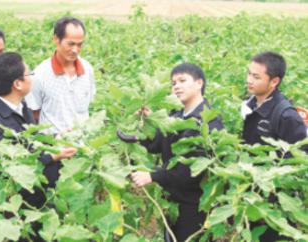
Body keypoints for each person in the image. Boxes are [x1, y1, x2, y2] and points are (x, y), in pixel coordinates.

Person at [118, 63, 223, 242]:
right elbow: (158, 144)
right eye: (173, 83)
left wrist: (153, 176)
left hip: (194, 202)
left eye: (182, 80)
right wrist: (142, 131)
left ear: (199, 83)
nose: (176, 86)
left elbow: (189, 169)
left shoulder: (206, 120)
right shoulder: (177, 115)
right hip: (173, 197)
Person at [0, 52, 77, 195]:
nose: (32, 78)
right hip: (15, 202)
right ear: (17, 84)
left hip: (38, 192)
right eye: (29, 74)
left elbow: (32, 139)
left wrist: (56, 138)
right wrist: (53, 156)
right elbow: (14, 168)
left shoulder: (20, 105)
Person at [241, 51, 307, 242]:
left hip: (275, 201)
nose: (249, 80)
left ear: (274, 81)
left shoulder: (286, 115)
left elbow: (299, 162)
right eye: (249, 74)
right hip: (253, 191)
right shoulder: (250, 105)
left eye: (256, 76)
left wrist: (272, 185)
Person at [26, 16, 96, 134]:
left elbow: (87, 106)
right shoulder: (40, 74)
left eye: (79, 45)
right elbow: (34, 114)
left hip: (83, 145)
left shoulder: (87, 70)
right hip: (53, 147)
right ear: (56, 39)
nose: (75, 50)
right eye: (71, 44)